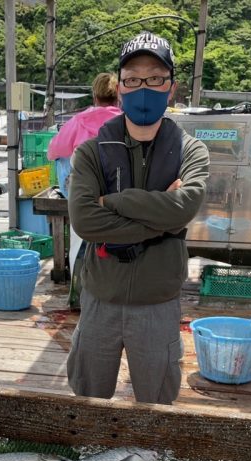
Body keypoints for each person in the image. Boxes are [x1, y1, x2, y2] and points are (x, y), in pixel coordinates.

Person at [67, 31, 210, 404]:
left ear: (171, 88)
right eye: (133, 79)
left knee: (157, 404)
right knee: (88, 398)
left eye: (155, 78)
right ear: (120, 90)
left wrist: (113, 201)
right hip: (100, 298)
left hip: (159, 302)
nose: (143, 87)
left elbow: (185, 207)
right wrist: (160, 214)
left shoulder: (191, 150)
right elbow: (84, 221)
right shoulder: (90, 153)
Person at [48, 73, 121, 308]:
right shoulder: (127, 121)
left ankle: (79, 296)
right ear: (119, 95)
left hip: (83, 195)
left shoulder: (79, 121)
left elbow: (54, 151)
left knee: (80, 244)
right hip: (118, 196)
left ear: (94, 94)